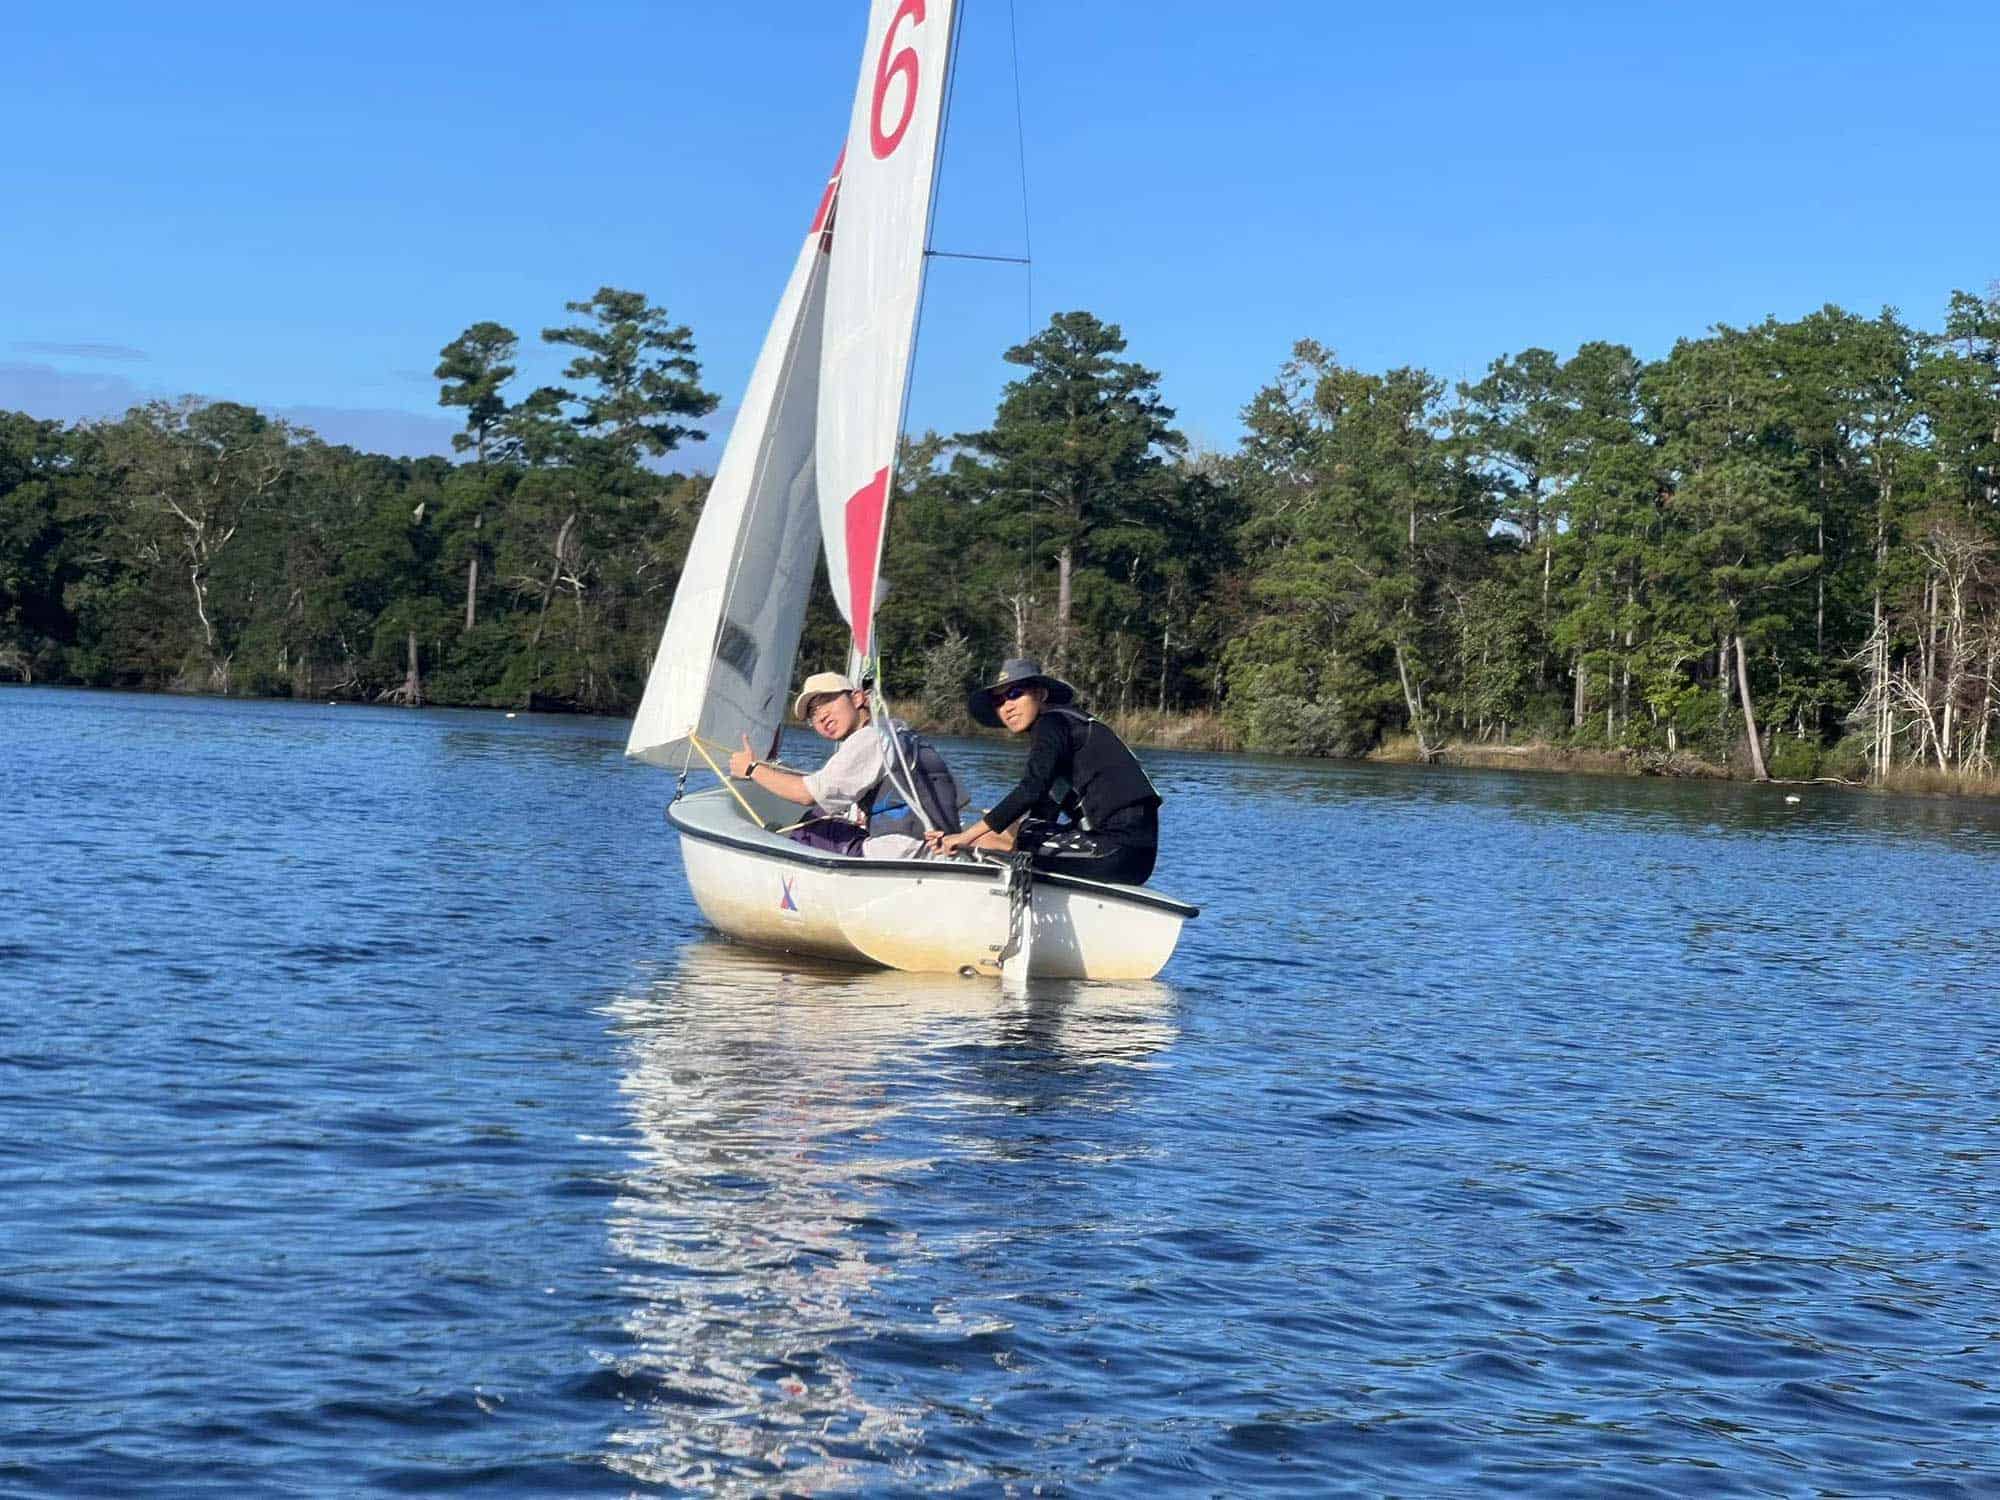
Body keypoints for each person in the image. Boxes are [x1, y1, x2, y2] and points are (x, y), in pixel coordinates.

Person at [927, 658, 1162, 886]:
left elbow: (1030, 789)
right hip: (1132, 859)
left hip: (1115, 851)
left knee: (995, 839)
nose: (1007, 707)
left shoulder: (1052, 723)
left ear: (1040, 694)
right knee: (1013, 832)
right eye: (998, 701)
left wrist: (964, 837)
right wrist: (989, 829)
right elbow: (1043, 810)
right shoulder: (1068, 727)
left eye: (1015, 694)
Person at [727, 671, 962, 858]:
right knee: (825, 815)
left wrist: (752, 769)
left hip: (899, 854)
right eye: (812, 714)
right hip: (935, 851)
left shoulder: (869, 738)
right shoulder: (904, 734)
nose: (821, 717)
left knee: (808, 829)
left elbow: (806, 794)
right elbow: (956, 799)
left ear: (857, 698)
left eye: (826, 702)